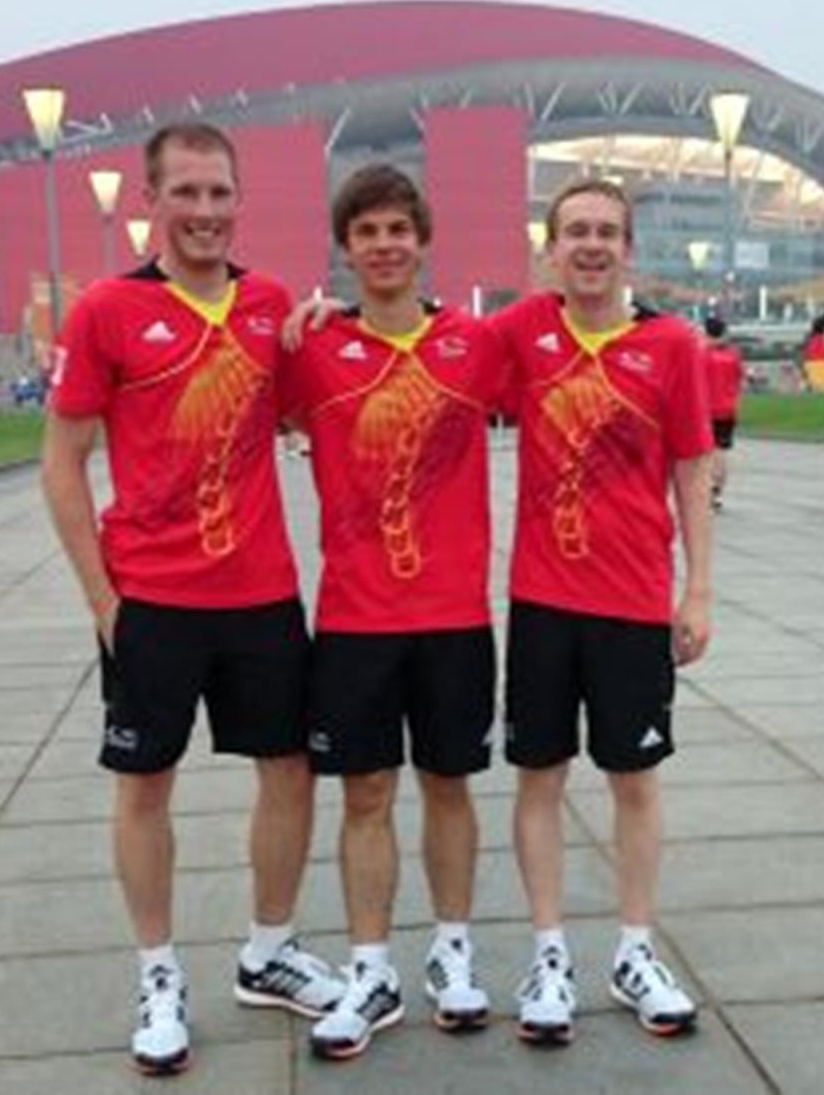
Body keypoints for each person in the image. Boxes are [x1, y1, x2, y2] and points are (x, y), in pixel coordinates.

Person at [40, 122, 343, 1077]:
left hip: (261, 591)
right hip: (152, 599)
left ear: (238, 199)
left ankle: (269, 950)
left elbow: (302, 408)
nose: (205, 211)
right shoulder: (108, 310)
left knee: (290, 769)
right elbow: (62, 462)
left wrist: (323, 333)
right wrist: (104, 602)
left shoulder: (267, 303)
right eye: (187, 192)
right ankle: (159, 974)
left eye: (219, 193)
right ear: (153, 199)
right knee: (145, 784)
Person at [279, 165, 504, 1060]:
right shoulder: (313, 348)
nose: (383, 246)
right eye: (366, 232)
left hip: (454, 614)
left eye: (397, 230)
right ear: (346, 247)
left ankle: (453, 951)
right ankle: (370, 968)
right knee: (364, 793)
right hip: (355, 618)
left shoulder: (474, 344)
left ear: (422, 241)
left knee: (450, 784)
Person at [489, 178, 714, 1046]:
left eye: (607, 233)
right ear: (549, 249)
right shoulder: (522, 331)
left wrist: (698, 589)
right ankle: (548, 955)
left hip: (633, 601)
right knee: (539, 778)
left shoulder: (671, 345)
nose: (591, 246)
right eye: (576, 232)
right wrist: (333, 316)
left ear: (628, 250)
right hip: (543, 602)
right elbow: (426, 344)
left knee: (635, 780)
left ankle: (634, 951)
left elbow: (691, 467)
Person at [705, 315, 744, 510]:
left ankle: (709, 488)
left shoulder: (702, 354)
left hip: (705, 409)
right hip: (728, 408)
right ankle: (718, 489)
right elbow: (739, 379)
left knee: (706, 452)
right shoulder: (734, 355)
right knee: (721, 450)